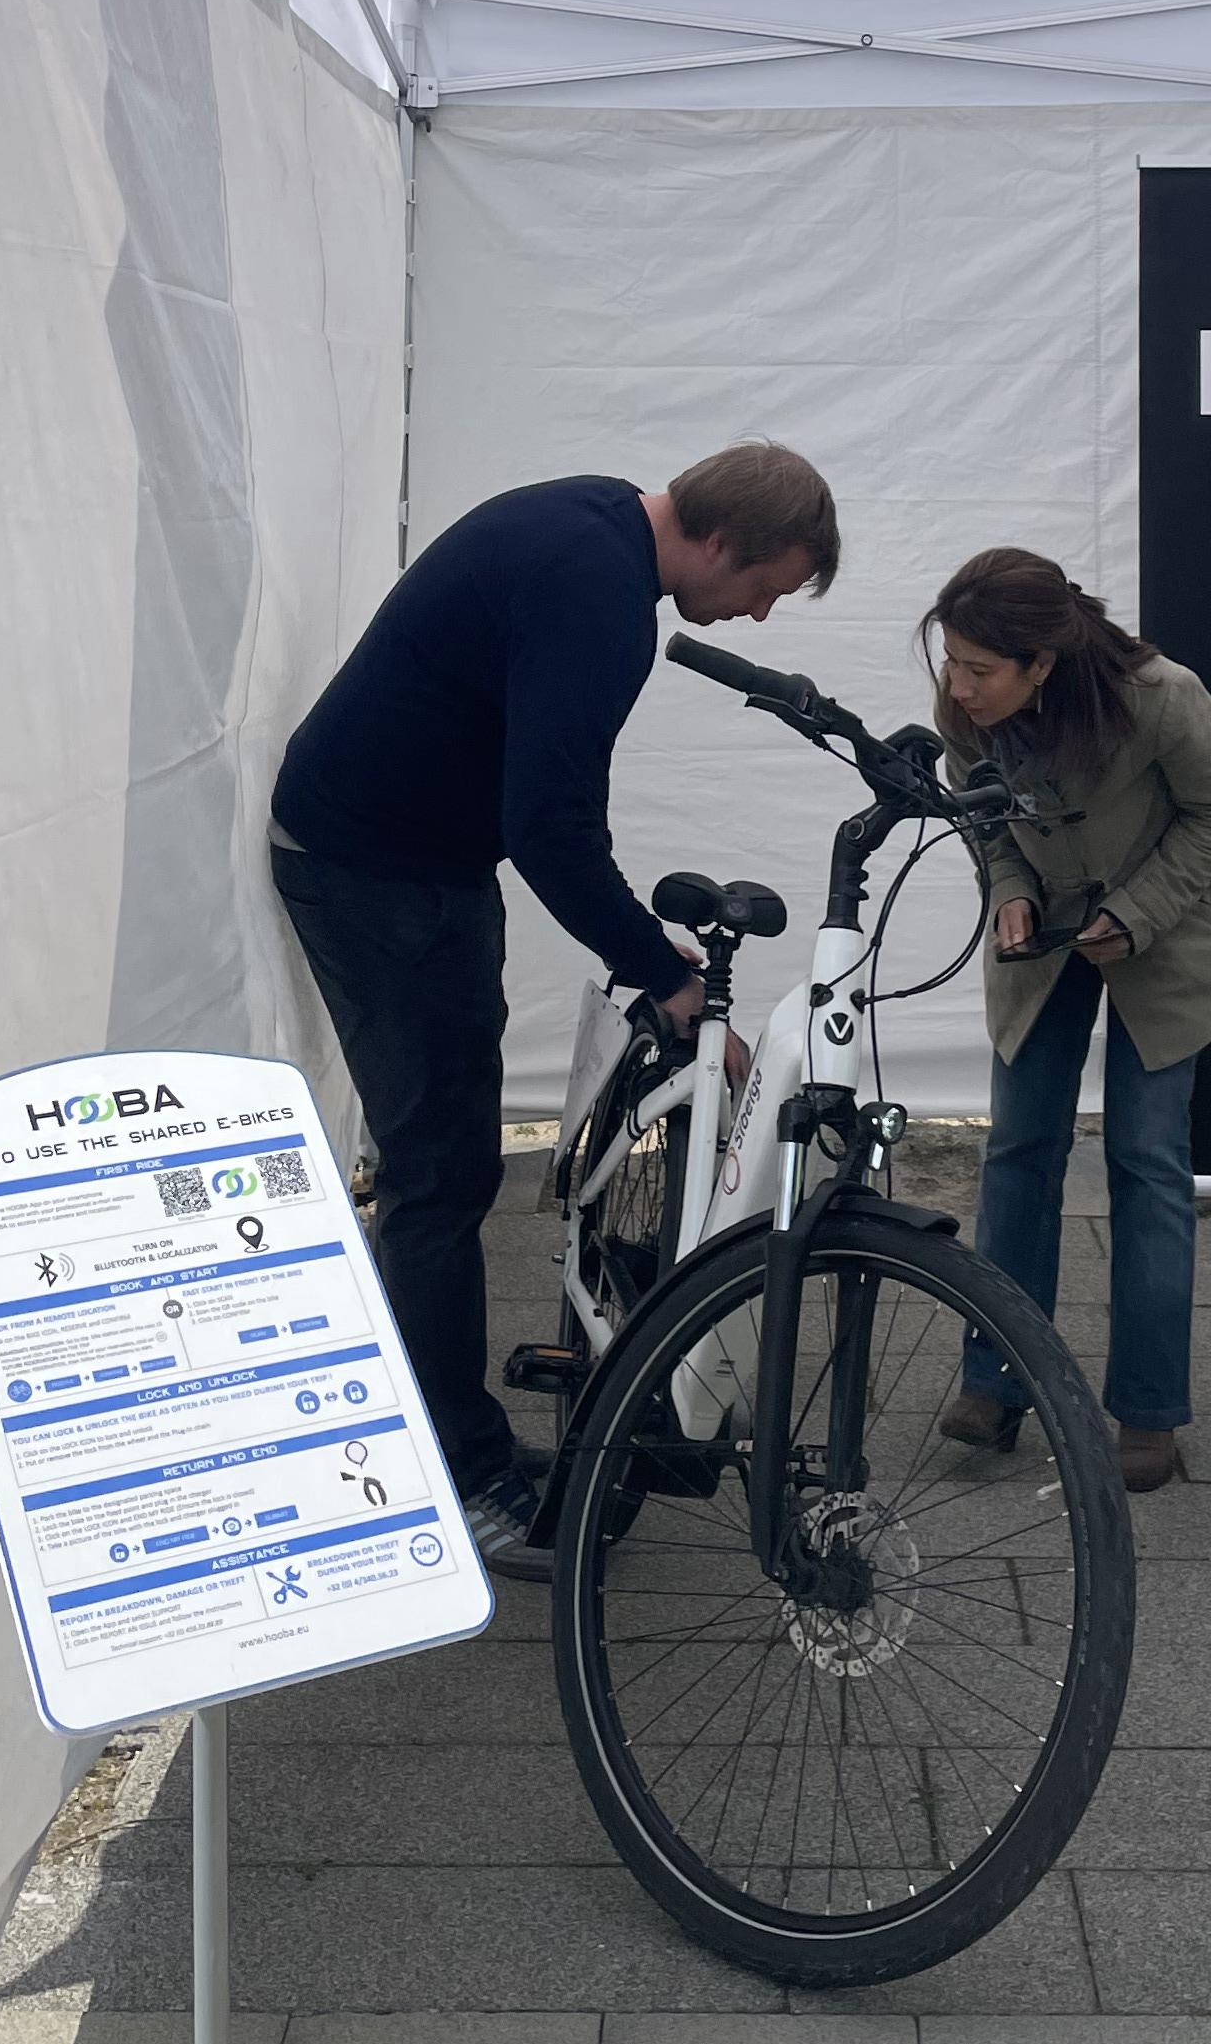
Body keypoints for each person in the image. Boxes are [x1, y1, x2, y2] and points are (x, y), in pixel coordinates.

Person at [270, 443, 840, 1574]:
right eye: (765, 589)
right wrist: (659, 970)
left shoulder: (591, 519)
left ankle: (461, 1441)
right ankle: (453, 1481)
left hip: (417, 857)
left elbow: (537, 804)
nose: (759, 620)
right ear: (720, 543)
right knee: (438, 1183)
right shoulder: (600, 596)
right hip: (371, 871)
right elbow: (551, 825)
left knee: (451, 1169)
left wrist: (637, 947)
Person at [926, 547, 1211, 1494]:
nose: (959, 685)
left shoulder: (1163, 695)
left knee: (1146, 1161)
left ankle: (1148, 1413)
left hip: (1168, 926)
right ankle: (996, 1381)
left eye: (980, 670)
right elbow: (982, 819)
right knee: (1018, 1147)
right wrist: (1012, 888)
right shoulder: (966, 710)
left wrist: (1138, 913)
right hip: (1043, 935)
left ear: (1044, 665)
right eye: (951, 662)